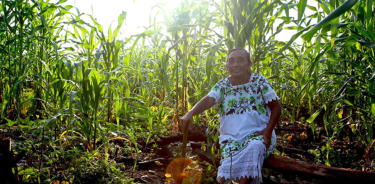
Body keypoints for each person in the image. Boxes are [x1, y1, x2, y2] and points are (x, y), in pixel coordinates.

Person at [180, 48, 281, 184]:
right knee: (222, 179)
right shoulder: (223, 86)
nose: (236, 64)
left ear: (249, 64)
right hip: (232, 139)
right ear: (227, 66)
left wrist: (268, 131)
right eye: (231, 61)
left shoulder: (259, 82)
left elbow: (276, 107)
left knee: (254, 148)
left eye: (240, 60)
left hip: (258, 135)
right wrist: (190, 113)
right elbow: (209, 99)